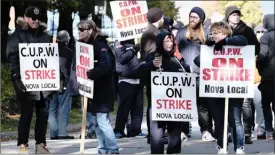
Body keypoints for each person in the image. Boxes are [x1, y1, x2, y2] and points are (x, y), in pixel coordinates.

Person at [194, 21, 248, 154]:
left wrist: (224, 42)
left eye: (216, 33)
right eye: (211, 33)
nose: (213, 36)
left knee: (235, 120)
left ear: (224, 33)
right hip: (216, 89)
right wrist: (208, 49)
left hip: (234, 88)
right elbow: (197, 61)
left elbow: (243, 40)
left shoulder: (235, 41)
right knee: (219, 120)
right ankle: (221, 146)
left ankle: (239, 147)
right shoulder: (212, 47)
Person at [6, 6, 53, 154]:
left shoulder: (45, 36)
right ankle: (23, 144)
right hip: (24, 82)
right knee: (26, 113)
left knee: (43, 113)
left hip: (43, 82)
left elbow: (51, 59)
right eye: (33, 18)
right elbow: (12, 58)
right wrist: (16, 79)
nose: (36, 21)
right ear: (26, 18)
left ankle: (40, 144)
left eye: (39, 19)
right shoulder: (17, 36)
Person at [145, 29, 190, 154]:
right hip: (157, 104)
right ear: (160, 42)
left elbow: (187, 76)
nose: (170, 44)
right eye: (167, 41)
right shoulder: (152, 57)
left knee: (175, 135)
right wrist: (152, 65)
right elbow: (140, 72)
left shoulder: (177, 59)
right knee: (157, 137)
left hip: (175, 105)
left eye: (171, 40)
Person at [77, 19, 119, 154]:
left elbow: (106, 66)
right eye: (78, 29)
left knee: (102, 121)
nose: (79, 32)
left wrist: (91, 73)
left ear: (90, 30)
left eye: (81, 29)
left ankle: (112, 149)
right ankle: (102, 148)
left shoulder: (100, 45)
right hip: (92, 90)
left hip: (103, 90)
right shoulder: (86, 44)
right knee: (95, 122)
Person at [176, 6, 215, 142]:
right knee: (184, 104)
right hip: (184, 73)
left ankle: (206, 130)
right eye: (190, 16)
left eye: (195, 17)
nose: (192, 19)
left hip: (201, 74)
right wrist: (180, 60)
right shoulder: (181, 32)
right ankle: (183, 131)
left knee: (203, 105)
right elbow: (176, 48)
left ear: (201, 19)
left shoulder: (207, 33)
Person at [224, 5, 261, 144]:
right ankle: (228, 132)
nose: (237, 17)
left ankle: (246, 133)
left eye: (238, 14)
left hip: (242, 70)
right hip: (225, 72)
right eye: (234, 14)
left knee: (245, 102)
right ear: (228, 16)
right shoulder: (222, 29)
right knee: (226, 102)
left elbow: (256, 47)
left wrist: (244, 50)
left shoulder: (247, 30)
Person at [140, 7, 164, 144]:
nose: (162, 19)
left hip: (152, 72)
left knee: (154, 103)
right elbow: (151, 54)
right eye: (161, 17)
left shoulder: (151, 31)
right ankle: (153, 134)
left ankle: (155, 133)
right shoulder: (151, 33)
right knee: (154, 104)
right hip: (152, 73)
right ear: (157, 18)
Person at [113, 39, 146, 138]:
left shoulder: (135, 41)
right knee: (123, 108)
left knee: (137, 109)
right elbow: (121, 58)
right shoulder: (119, 43)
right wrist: (133, 50)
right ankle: (119, 130)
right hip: (126, 81)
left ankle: (135, 130)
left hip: (138, 79)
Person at [47, 30, 74, 140]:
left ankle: (53, 134)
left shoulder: (48, 50)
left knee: (52, 109)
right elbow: (71, 70)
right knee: (64, 108)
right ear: (67, 40)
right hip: (63, 84)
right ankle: (62, 133)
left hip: (49, 83)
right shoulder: (69, 52)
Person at [256, 14, 275, 140]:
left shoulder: (265, 37)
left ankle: (269, 131)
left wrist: (259, 66)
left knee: (266, 104)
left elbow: (263, 55)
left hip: (268, 77)